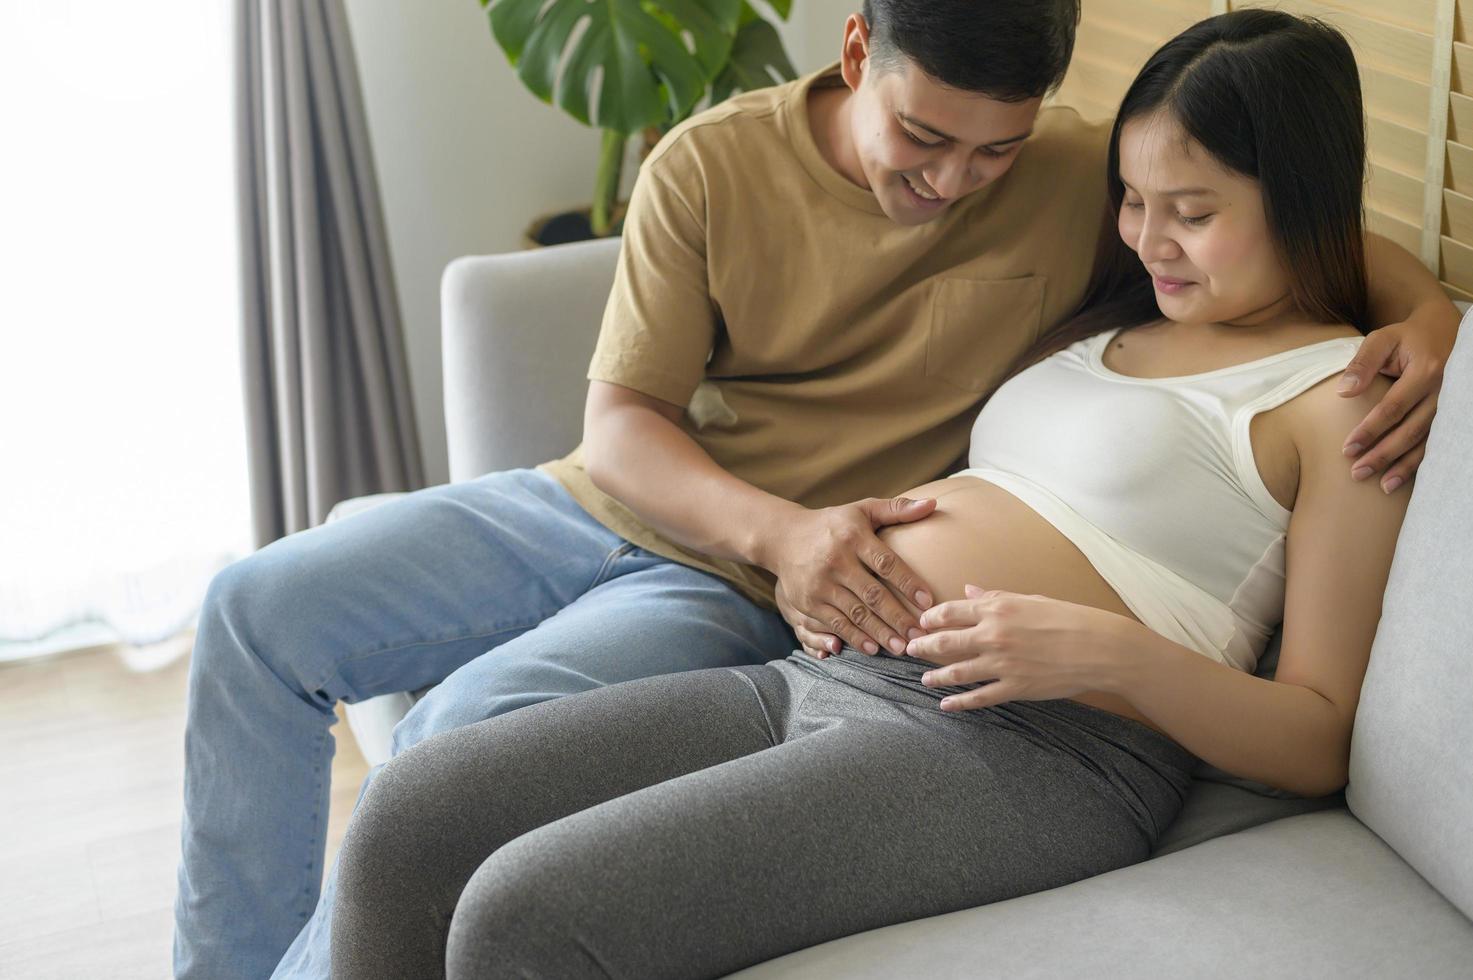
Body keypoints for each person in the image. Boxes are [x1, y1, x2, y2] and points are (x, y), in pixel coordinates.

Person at [171, 2, 1454, 977]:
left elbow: (1317, 732)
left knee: (521, 905)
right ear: (855, 55)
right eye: (1132, 200)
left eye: (1190, 211)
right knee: (412, 809)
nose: (1145, 231)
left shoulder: (1341, 401)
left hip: (1040, 742)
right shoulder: (1118, 296)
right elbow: (620, 421)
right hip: (824, 650)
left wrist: (1112, 652)